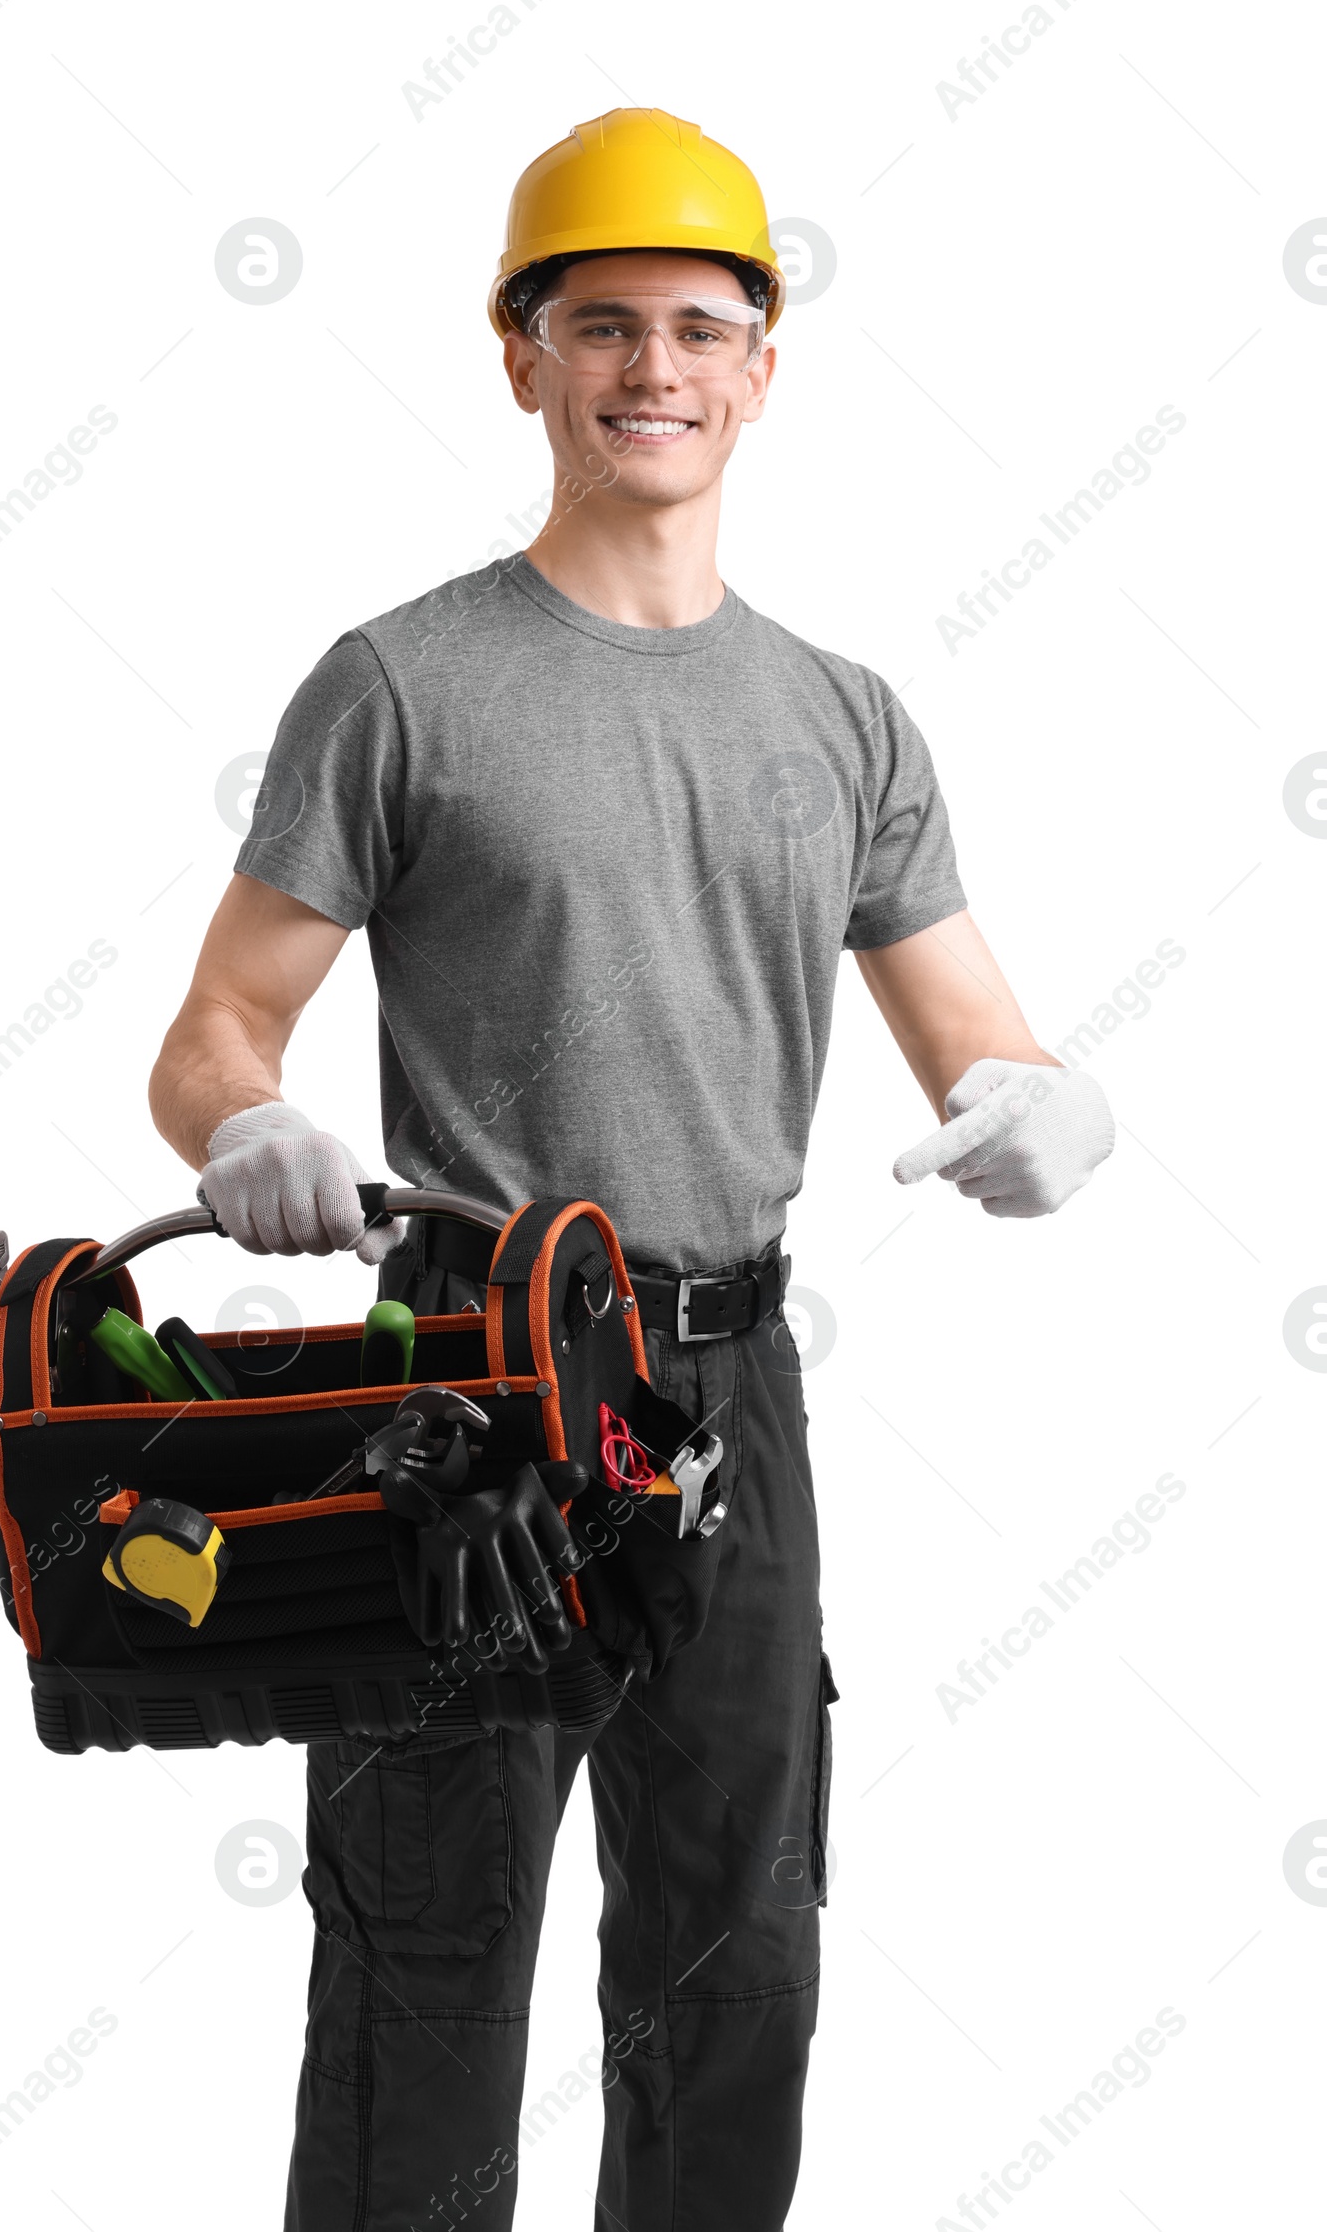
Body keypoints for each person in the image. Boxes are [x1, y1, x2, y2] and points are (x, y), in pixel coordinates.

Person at [149, 107, 1115, 2232]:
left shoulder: (844, 720)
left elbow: (984, 1036)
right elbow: (215, 1024)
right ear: (521, 359)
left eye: (698, 325)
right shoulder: (399, 684)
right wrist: (249, 1118)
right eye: (599, 324)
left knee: (736, 1963)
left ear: (763, 368)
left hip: (727, 1406)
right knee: (427, 1967)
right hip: (459, 1399)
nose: (651, 367)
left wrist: (1059, 1107)